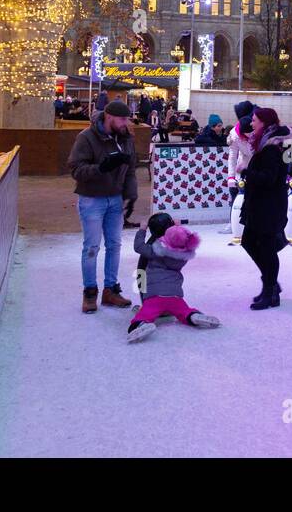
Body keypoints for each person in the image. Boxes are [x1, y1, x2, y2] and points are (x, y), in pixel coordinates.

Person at [68, 100, 137, 313]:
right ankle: (90, 292)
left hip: (115, 199)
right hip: (92, 199)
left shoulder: (125, 138)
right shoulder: (86, 138)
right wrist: (101, 168)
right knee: (91, 247)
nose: (126, 123)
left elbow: (131, 169)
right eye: (122, 119)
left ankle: (111, 290)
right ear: (109, 117)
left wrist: (131, 195)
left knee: (115, 245)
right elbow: (76, 170)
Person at [126, 213, 221, 343]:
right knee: (184, 311)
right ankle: (193, 316)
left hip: (155, 296)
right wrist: (177, 226)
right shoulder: (182, 257)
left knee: (146, 313)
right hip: (175, 296)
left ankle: (141, 324)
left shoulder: (154, 251)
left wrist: (142, 229)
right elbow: (179, 239)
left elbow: (138, 246)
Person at [238, 107, 291, 310]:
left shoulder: (271, 147)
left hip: (267, 205)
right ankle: (270, 284)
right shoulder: (277, 141)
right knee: (249, 242)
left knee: (266, 248)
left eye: (254, 120)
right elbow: (288, 167)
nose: (251, 124)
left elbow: (269, 179)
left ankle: (270, 291)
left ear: (265, 123)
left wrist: (245, 171)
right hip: (263, 203)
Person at [226, 100, 255, 244]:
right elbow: (232, 156)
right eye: (246, 134)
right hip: (242, 166)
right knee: (236, 195)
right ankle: (234, 222)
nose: (249, 136)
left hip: (258, 165)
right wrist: (231, 176)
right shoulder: (234, 135)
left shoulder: (259, 130)